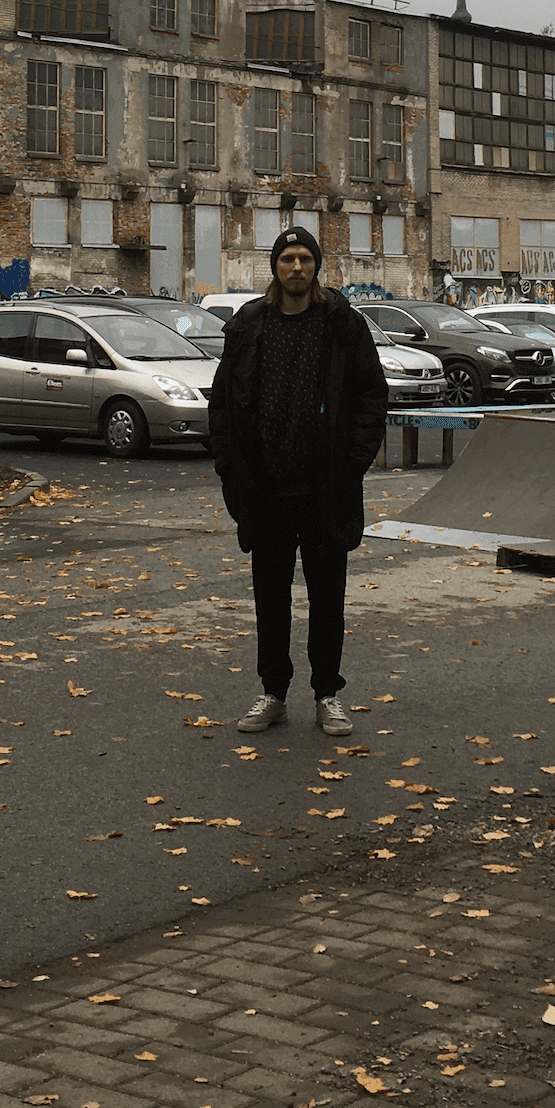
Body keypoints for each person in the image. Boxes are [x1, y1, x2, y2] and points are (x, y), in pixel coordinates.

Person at [207, 225, 388, 737]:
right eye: (287, 259)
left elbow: (372, 394)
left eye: (305, 258)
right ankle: (273, 693)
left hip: (324, 489)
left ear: (316, 266)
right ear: (275, 267)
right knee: (271, 599)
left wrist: (353, 462)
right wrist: (229, 466)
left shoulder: (341, 324)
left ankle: (327, 693)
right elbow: (223, 402)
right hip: (265, 490)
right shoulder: (250, 325)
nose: (296, 267)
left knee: (327, 598)